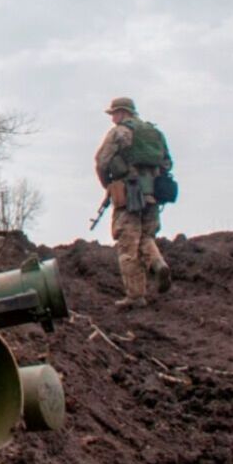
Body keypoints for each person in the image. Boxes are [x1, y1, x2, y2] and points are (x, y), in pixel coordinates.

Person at [95, 97, 173, 308]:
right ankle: (158, 263)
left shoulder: (118, 133)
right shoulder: (154, 133)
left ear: (122, 112)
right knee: (147, 236)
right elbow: (167, 163)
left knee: (127, 245)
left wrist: (109, 186)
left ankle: (136, 296)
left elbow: (101, 162)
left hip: (128, 195)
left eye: (113, 113)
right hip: (153, 194)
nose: (112, 118)